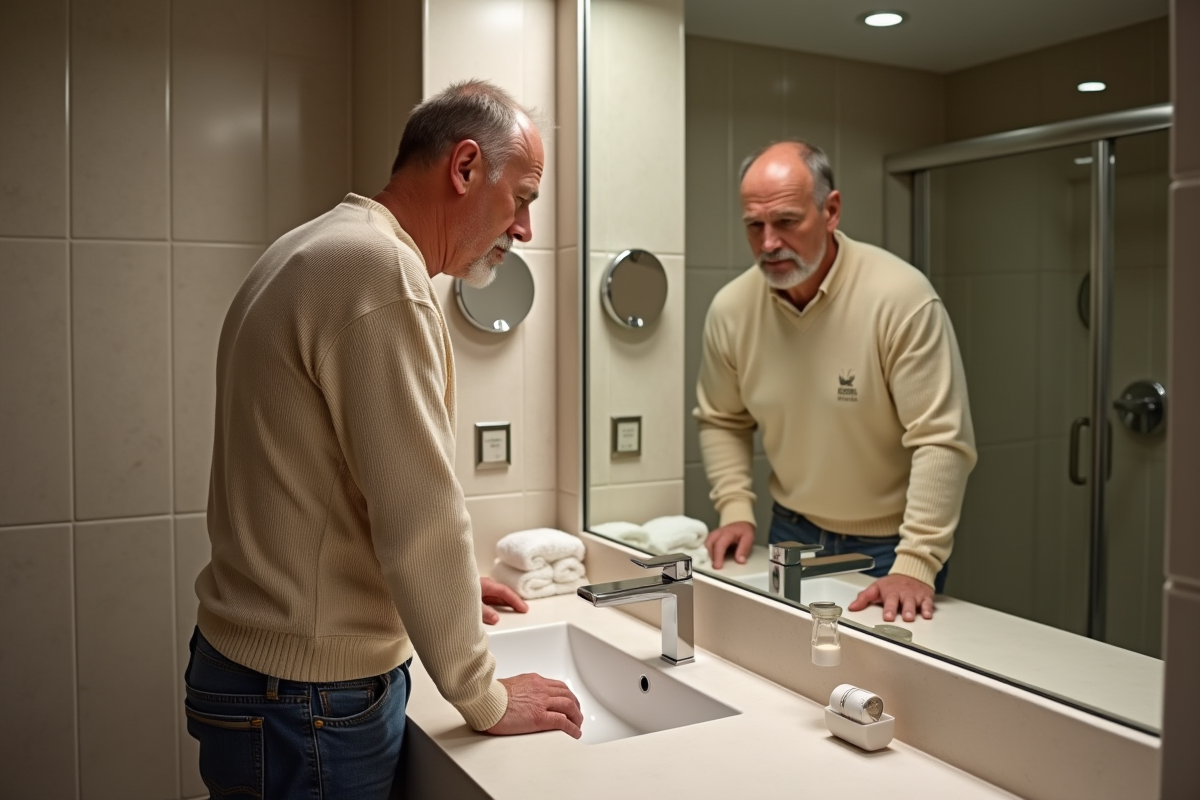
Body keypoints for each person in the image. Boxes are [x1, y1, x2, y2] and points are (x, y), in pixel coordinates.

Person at [184, 80, 583, 799]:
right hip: (307, 697)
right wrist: (485, 695)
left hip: (263, 674)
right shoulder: (379, 271)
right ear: (464, 169)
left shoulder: (312, 246)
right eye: (523, 196)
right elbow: (417, 515)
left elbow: (335, 485)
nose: (525, 228)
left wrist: (450, 589)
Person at [696, 140, 977, 624]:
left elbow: (942, 441)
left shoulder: (901, 298)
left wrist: (918, 560)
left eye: (786, 222)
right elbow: (722, 419)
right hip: (791, 533)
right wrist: (736, 509)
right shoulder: (731, 309)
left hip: (892, 547)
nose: (768, 243)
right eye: (754, 226)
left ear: (831, 211)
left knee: (886, 691)